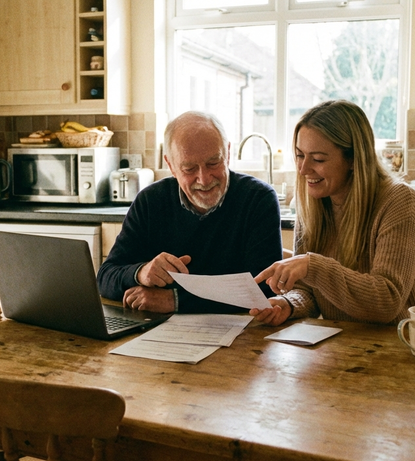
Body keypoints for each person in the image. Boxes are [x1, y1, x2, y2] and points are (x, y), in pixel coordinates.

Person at [250, 100, 415, 326]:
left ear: (353, 159)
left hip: (410, 345)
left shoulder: (400, 202)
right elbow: (308, 291)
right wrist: (288, 305)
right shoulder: (314, 206)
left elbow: (387, 302)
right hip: (348, 347)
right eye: (300, 155)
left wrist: (314, 267)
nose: (303, 169)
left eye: (318, 159)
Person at [97, 111, 283, 314]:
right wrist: (141, 273)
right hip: (160, 334)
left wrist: (176, 300)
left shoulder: (258, 199)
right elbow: (105, 277)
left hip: (242, 335)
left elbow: (264, 289)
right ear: (171, 166)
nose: (204, 179)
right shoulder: (150, 201)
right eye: (189, 169)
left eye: (213, 163)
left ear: (228, 154)